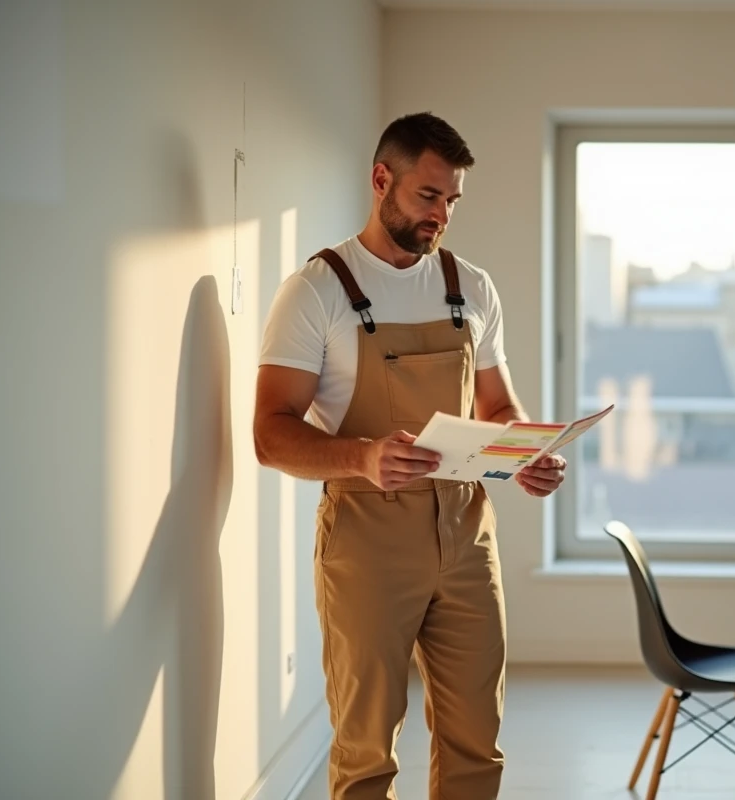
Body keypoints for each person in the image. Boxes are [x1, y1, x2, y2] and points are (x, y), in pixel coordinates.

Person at [253, 111, 567, 800]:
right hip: (366, 539)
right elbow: (269, 434)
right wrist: (363, 458)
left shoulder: (470, 286)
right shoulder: (317, 291)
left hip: (465, 534)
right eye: (429, 197)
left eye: (451, 201)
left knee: (477, 741)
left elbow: (499, 410)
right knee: (366, 746)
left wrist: (526, 457)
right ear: (380, 180)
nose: (441, 217)